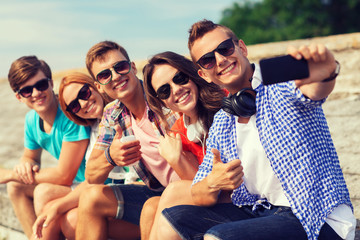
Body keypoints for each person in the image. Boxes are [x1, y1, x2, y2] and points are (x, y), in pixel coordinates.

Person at [157, 19, 356, 240]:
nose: (221, 60)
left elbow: (314, 90)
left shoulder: (280, 87)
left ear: (241, 48)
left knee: (217, 237)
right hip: (263, 213)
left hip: (317, 216)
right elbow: (197, 193)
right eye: (208, 60)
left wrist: (326, 72)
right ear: (203, 74)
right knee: (172, 218)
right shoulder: (223, 121)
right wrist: (213, 182)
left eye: (225, 49)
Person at [75, 41, 199, 240]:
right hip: (158, 190)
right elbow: (91, 176)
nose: (115, 76)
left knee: (152, 207)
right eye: (105, 75)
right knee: (90, 197)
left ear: (132, 67)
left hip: (190, 188)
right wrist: (110, 157)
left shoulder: (164, 94)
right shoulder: (112, 113)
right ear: (99, 86)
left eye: (120, 67)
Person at [32, 72, 139, 239]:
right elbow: (92, 179)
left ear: (95, 86)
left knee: (71, 219)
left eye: (84, 93)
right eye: (74, 106)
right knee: (49, 203)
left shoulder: (120, 114)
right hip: (117, 194)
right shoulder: (97, 128)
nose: (82, 104)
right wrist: (56, 207)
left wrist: (58, 207)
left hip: (136, 195)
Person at [140, 51, 227, 239]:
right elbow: (200, 189)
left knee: (173, 191)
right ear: (161, 101)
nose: (176, 90)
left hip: (242, 195)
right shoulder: (179, 131)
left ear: (192, 74)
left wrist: (176, 159)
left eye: (179, 78)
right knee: (150, 207)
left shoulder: (226, 101)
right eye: (165, 90)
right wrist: (176, 158)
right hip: (213, 196)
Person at [5, 56, 90, 238]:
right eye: (27, 90)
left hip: (92, 184)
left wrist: (10, 174)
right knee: (15, 187)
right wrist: (24, 164)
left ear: (51, 83)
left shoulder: (69, 112)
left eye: (41, 85)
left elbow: (64, 175)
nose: (36, 93)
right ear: (19, 97)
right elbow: (31, 157)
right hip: (73, 185)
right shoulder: (32, 120)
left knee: (43, 191)